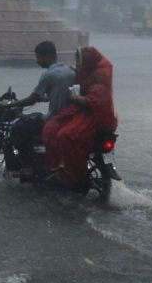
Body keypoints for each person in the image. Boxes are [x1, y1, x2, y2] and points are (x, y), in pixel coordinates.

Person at [0, 41, 76, 174]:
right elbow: (63, 92)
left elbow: (32, 99)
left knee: (18, 128)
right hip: (70, 117)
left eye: (38, 57)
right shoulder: (69, 71)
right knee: (32, 118)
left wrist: (10, 104)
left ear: (47, 57)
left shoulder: (48, 75)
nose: (37, 61)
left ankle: (28, 167)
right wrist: (45, 98)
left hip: (55, 118)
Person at [42, 46, 118, 188]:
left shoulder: (100, 76)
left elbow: (92, 101)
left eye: (81, 61)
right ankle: (58, 165)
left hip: (94, 116)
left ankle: (72, 173)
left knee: (64, 135)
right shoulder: (92, 70)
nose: (79, 64)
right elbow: (84, 79)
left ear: (88, 61)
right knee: (53, 126)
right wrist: (77, 71)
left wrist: (75, 98)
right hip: (87, 112)